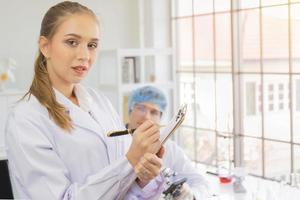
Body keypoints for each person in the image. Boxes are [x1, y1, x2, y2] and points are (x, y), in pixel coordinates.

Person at [5, 1, 165, 199]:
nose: (84, 55)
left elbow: (120, 188)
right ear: (45, 46)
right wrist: (131, 160)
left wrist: (141, 177)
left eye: (92, 45)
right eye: (72, 42)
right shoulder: (26, 119)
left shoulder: (100, 102)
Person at [126, 86, 209, 200]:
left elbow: (200, 183)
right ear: (130, 110)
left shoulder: (170, 148)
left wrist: (191, 195)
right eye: (141, 108)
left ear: (160, 119)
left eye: (154, 112)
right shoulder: (114, 144)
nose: (146, 116)